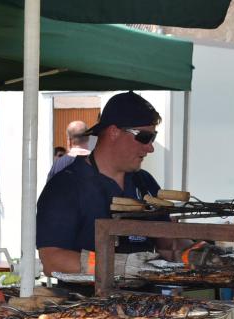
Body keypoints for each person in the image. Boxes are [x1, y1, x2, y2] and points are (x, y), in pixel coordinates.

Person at [36, 92, 187, 276]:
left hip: (145, 300)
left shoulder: (144, 182)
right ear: (114, 132)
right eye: (144, 137)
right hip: (86, 302)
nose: (150, 147)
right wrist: (116, 265)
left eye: (152, 138)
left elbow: (167, 244)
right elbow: (52, 260)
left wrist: (197, 253)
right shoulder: (66, 186)